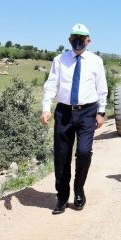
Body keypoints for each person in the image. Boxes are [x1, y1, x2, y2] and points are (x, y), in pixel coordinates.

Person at [40, 23, 108, 214]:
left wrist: (101, 112)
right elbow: (51, 84)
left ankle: (79, 190)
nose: (78, 40)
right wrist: (46, 107)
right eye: (74, 37)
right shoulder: (59, 60)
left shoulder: (96, 61)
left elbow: (101, 88)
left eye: (82, 37)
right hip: (64, 112)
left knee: (84, 152)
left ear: (88, 40)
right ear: (69, 40)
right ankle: (62, 197)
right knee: (62, 156)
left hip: (87, 112)